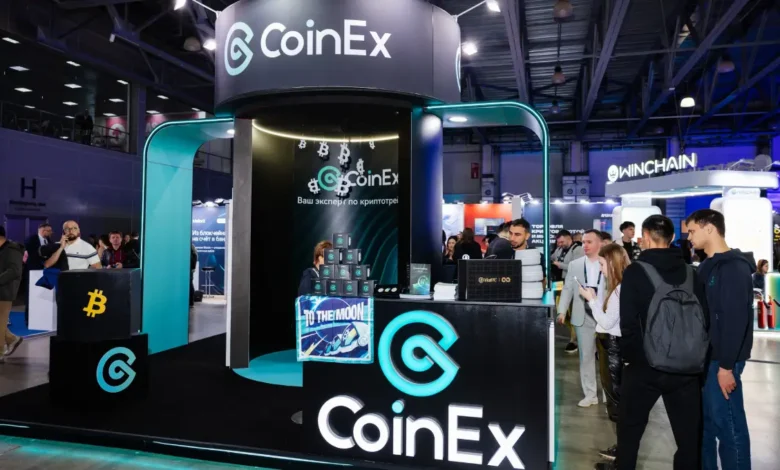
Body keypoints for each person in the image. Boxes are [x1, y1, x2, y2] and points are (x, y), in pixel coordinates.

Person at [613, 215, 705, 470]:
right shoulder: (691, 272)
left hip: (645, 366)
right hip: (686, 368)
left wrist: (631, 360)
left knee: (629, 434)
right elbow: (704, 318)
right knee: (688, 439)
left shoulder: (636, 271)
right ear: (673, 237)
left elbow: (628, 323)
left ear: (645, 237)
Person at [686, 209, 754, 470]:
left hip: (722, 361)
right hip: (706, 359)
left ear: (710, 228)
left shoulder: (734, 267)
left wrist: (726, 366)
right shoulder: (706, 266)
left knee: (729, 427)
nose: (689, 237)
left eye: (692, 231)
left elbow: (736, 320)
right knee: (707, 426)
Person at [578, 243, 629, 463]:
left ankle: (623, 451)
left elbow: (607, 322)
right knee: (615, 400)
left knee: (616, 401)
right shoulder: (617, 288)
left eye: (601, 264)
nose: (600, 269)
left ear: (612, 262)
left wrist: (591, 301)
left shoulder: (619, 290)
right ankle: (623, 448)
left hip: (613, 349)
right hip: (611, 348)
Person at [556, 230, 605, 407]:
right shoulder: (575, 264)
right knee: (586, 357)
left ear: (600, 243)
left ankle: (609, 396)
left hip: (605, 315)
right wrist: (562, 310)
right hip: (582, 314)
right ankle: (590, 394)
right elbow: (568, 288)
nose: (585, 245)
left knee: (607, 358)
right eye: (583, 242)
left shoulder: (608, 263)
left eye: (589, 242)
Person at [551, 229, 585, 354]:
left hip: (573, 284)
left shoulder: (578, 249)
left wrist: (559, 265)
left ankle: (574, 340)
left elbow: (577, 267)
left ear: (568, 238)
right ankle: (574, 337)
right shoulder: (559, 249)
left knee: (573, 312)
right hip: (559, 284)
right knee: (561, 312)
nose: (560, 244)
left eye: (562, 242)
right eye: (558, 242)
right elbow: (552, 258)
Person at [0, 226, 24, 363]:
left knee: (0, 323)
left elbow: (14, 271)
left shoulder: (12, 250)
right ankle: (12, 339)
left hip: (5, 292)